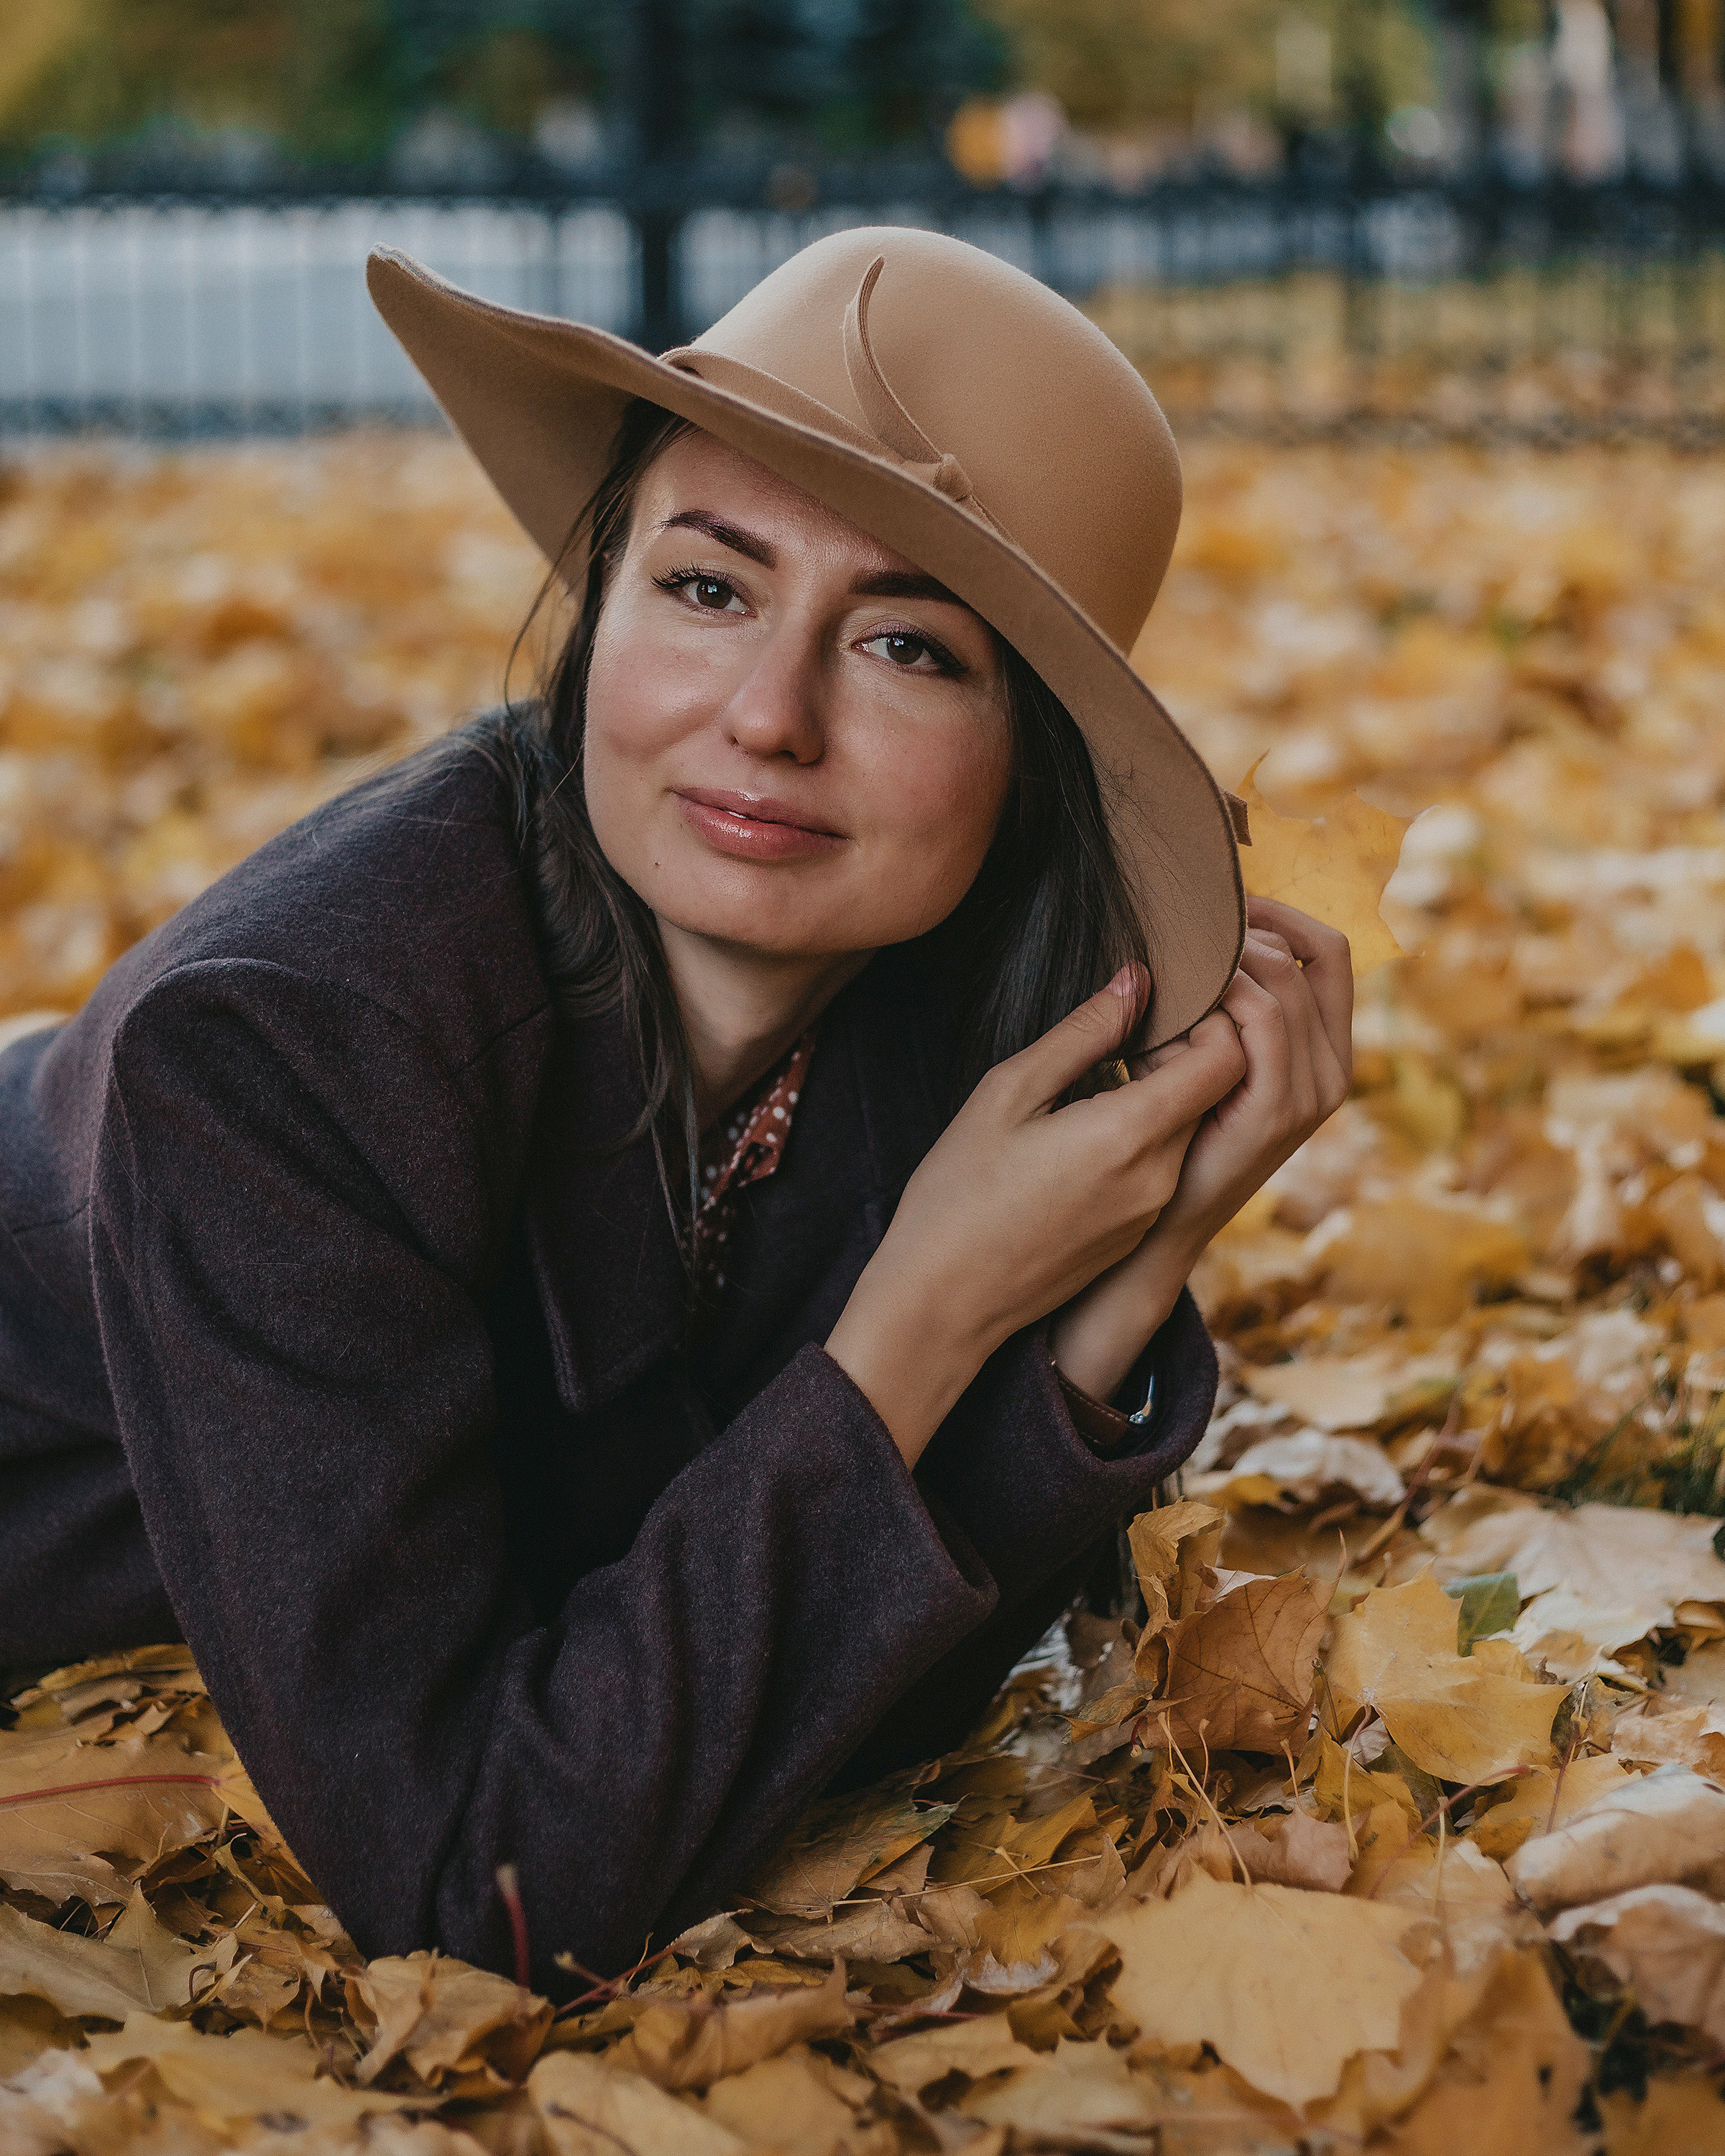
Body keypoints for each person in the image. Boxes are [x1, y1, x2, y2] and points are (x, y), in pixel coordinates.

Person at [0, 227, 1351, 1989]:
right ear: (598, 604)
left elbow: (836, 1711)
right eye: (708, 587)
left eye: (909, 648)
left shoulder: (935, 1050)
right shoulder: (287, 1052)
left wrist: (1122, 1279)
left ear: (1035, 770)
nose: (767, 720)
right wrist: (924, 1314)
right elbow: (483, 1891)